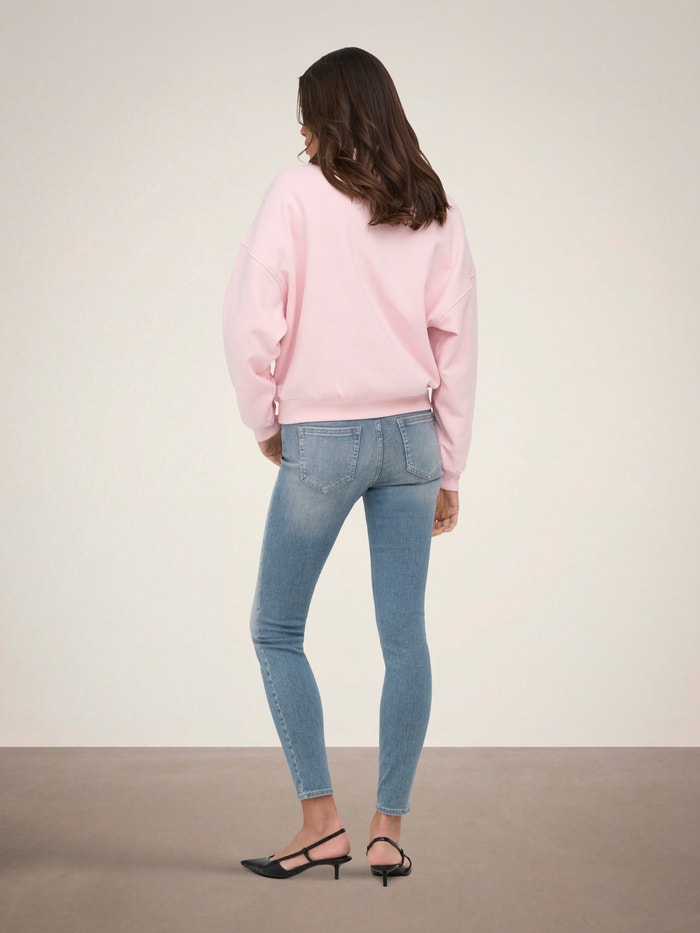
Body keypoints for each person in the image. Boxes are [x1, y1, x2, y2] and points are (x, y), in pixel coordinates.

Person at [222, 47, 477, 885]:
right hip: (412, 439)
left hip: (323, 439)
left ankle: (320, 821)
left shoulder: (295, 194)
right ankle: (387, 832)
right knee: (405, 638)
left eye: (304, 115)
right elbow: (457, 345)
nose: (299, 132)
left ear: (324, 117)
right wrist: (449, 468)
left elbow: (250, 322)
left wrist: (266, 421)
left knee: (276, 629)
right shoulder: (432, 205)